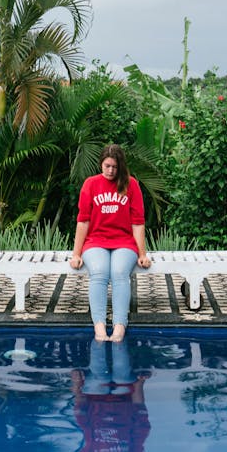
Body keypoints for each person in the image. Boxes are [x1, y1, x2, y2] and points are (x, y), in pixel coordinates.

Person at [69, 143, 151, 342]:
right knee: (99, 272)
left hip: (124, 242)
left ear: (120, 166)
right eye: (107, 166)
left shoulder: (131, 185)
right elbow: (83, 221)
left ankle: (119, 327)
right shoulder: (90, 184)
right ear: (101, 164)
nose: (110, 170)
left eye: (114, 167)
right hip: (95, 241)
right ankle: (99, 327)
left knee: (119, 273)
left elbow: (138, 223)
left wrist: (142, 254)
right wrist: (76, 254)